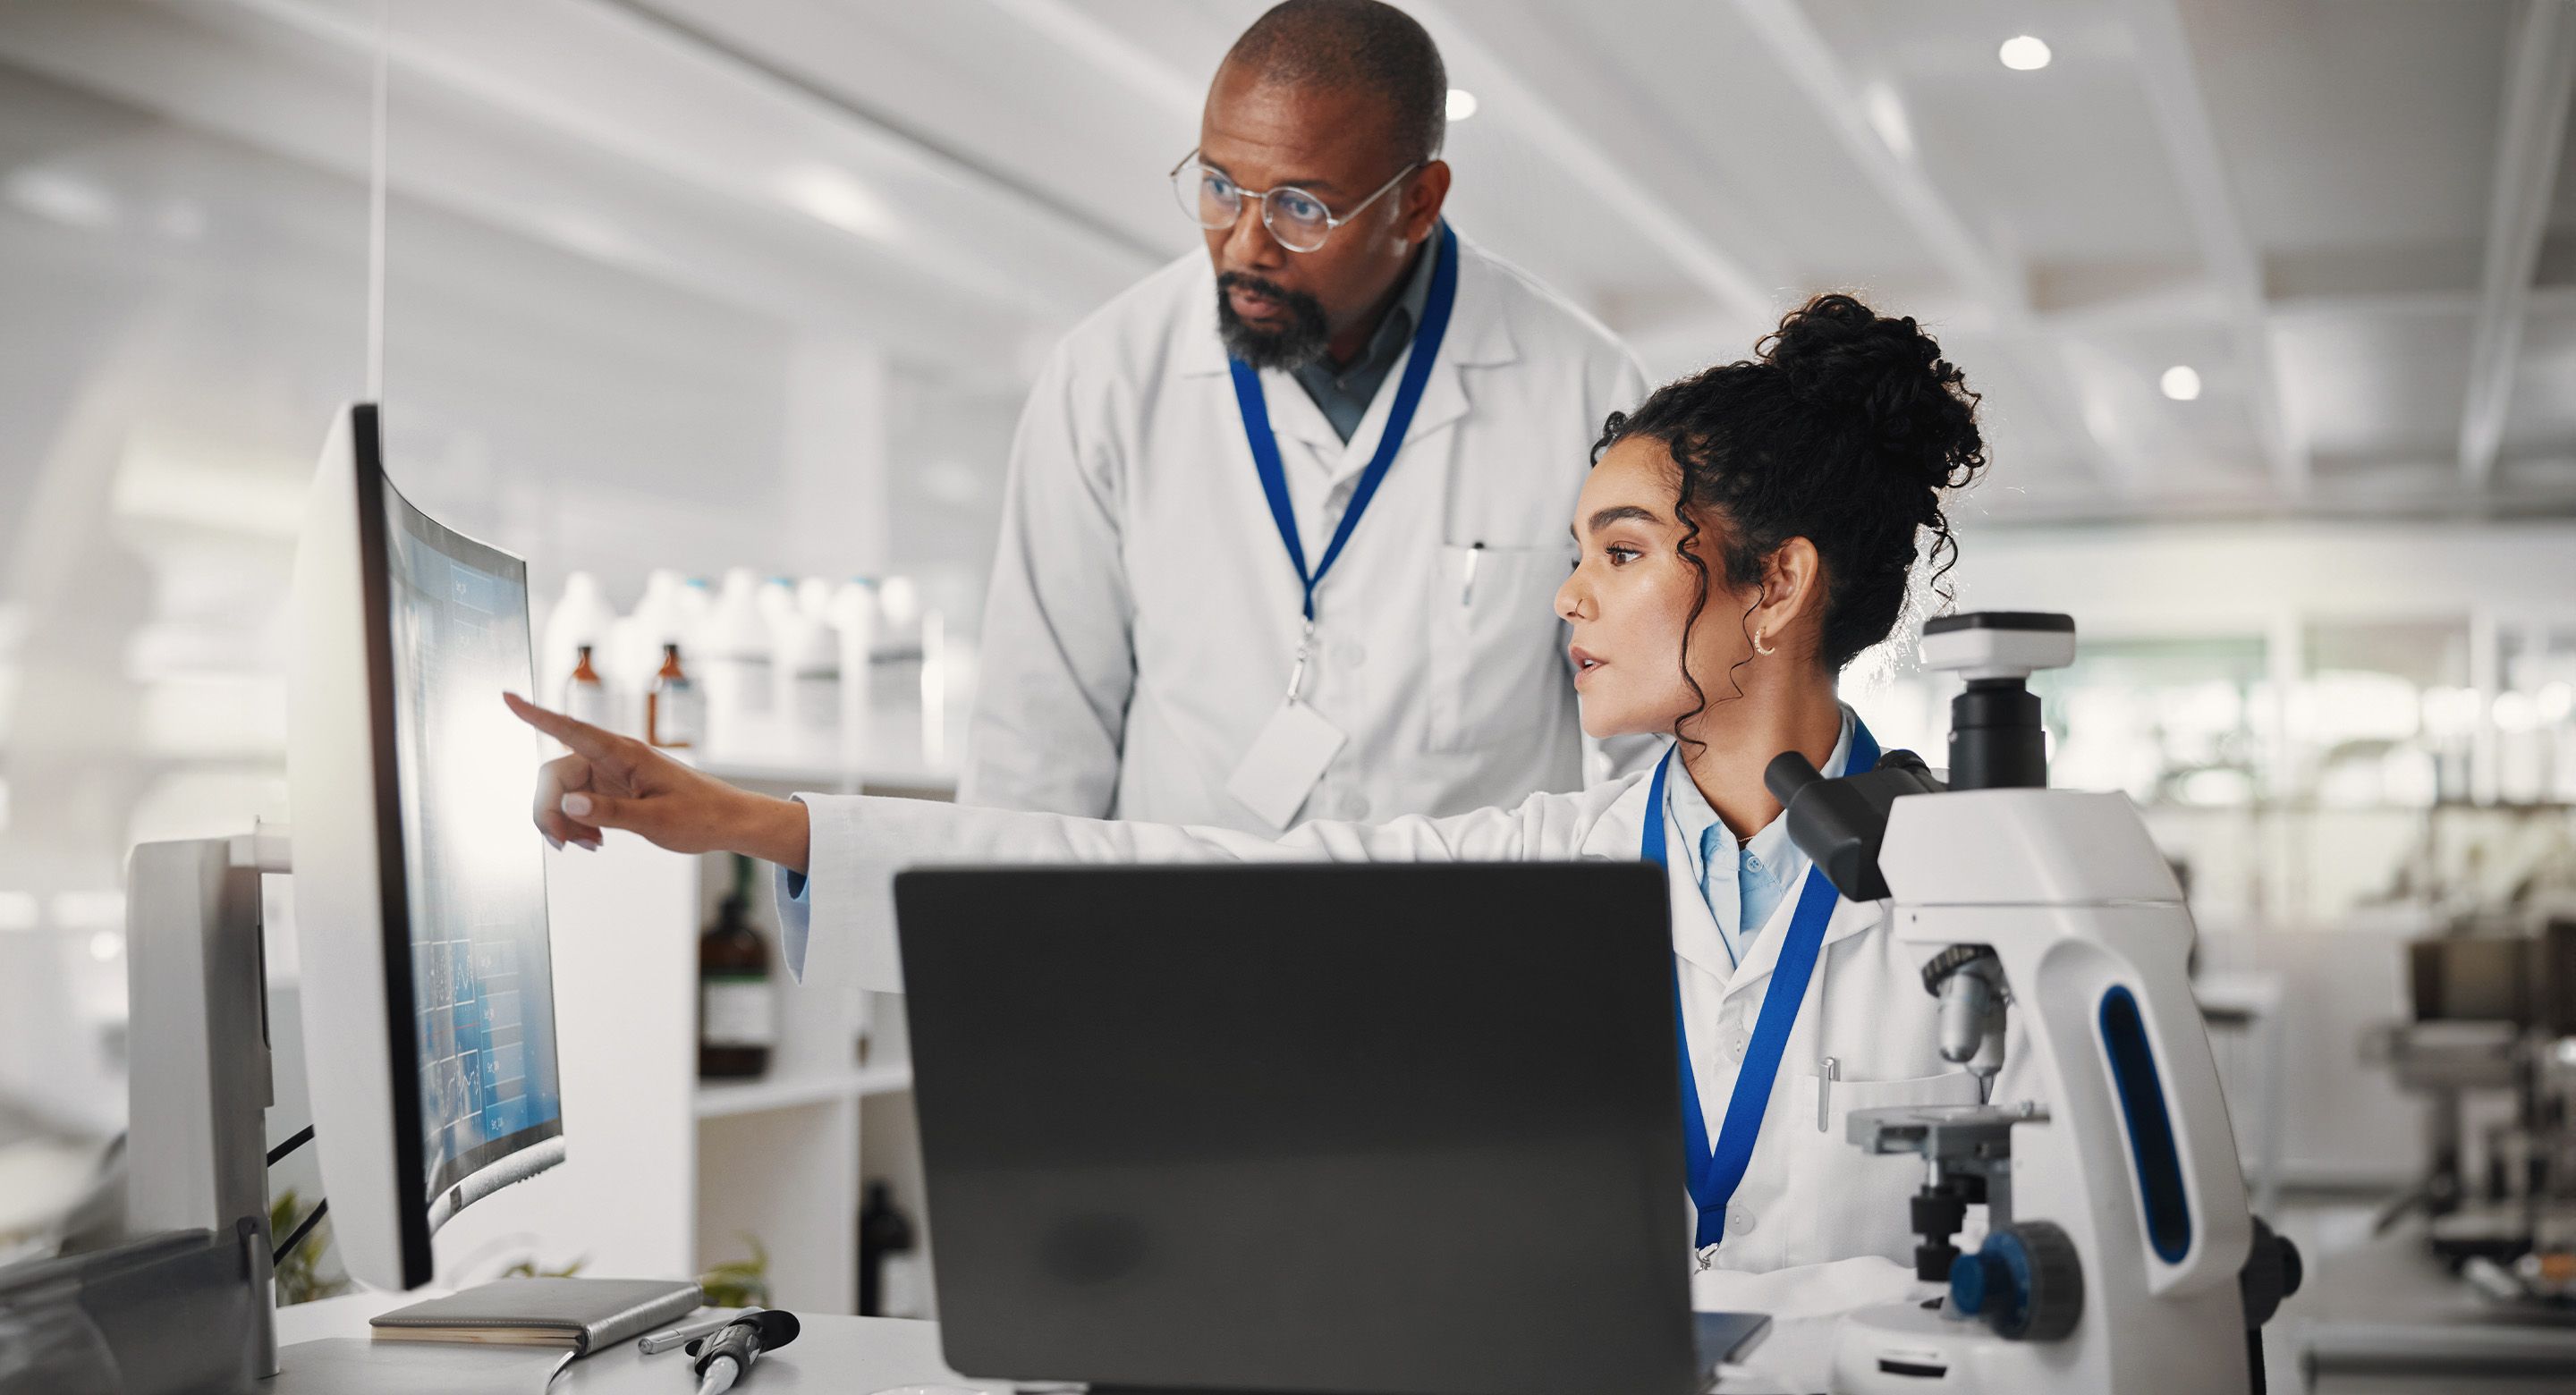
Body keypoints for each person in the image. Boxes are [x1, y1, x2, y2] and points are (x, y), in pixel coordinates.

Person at [512, 295, 2004, 1318]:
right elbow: (1174, 879)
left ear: (1778, 585)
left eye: (1620, 552)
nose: (1567, 597)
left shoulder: (1993, 888)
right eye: (1576, 551)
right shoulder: (1539, 862)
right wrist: (762, 825)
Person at [964, 0, 1653, 833]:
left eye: (1301, 208)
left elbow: (1643, 734)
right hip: (1189, 934)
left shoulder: (1582, 384)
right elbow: (1037, 740)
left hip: (1465, 941)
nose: (1245, 245)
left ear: (1418, 203)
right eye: (1220, 187)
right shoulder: (1105, 377)